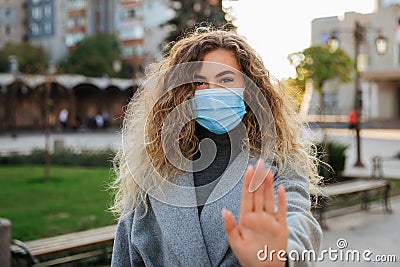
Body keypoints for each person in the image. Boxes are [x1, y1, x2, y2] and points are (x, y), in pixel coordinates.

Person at [110, 27, 322, 267]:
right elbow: (127, 253)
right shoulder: (154, 169)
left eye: (226, 79)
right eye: (200, 82)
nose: (214, 91)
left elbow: (299, 221)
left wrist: (279, 256)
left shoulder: (281, 160)